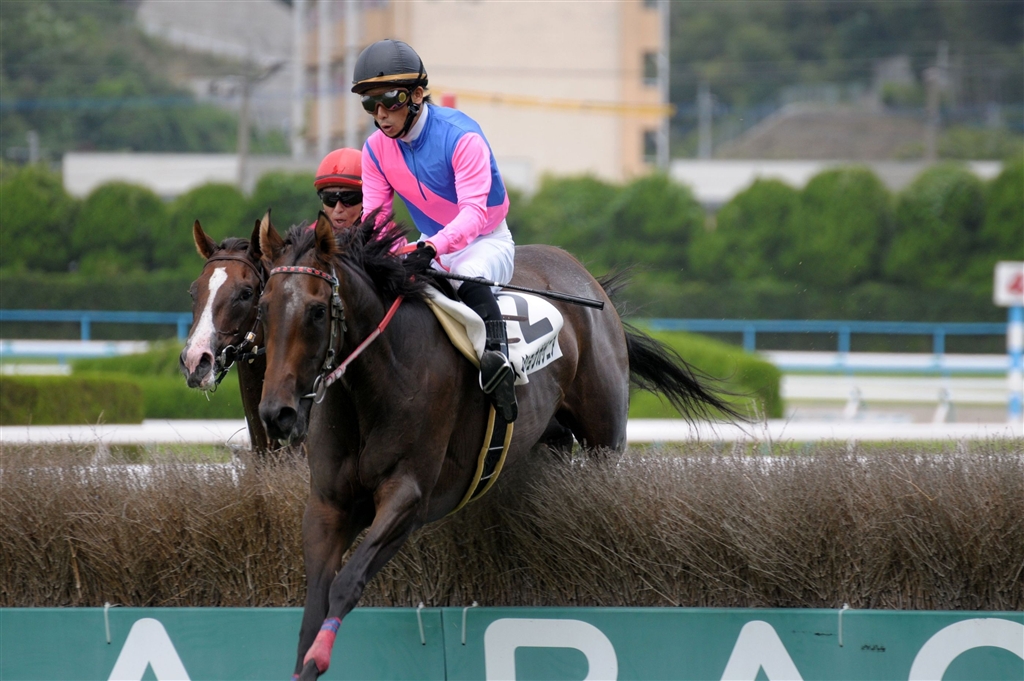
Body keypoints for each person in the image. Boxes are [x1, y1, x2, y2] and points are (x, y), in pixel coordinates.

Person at [353, 39, 518, 422]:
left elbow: (473, 213)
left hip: (486, 240)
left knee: (468, 274)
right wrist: (384, 255)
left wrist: (430, 249)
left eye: (390, 100)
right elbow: (376, 220)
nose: (381, 115)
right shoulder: (375, 150)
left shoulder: (462, 136)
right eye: (370, 104)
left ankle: (499, 363)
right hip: (431, 244)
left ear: (417, 95)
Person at [314, 147, 363, 231]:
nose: (338, 209)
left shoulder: (385, 236)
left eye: (348, 198)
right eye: (330, 198)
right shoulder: (308, 236)